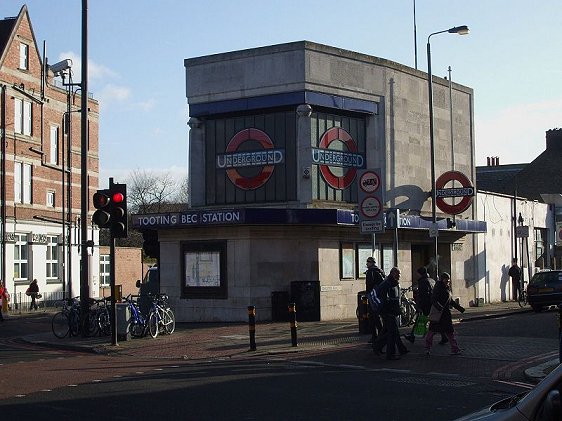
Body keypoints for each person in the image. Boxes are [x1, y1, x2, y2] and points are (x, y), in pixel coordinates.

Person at [425, 272, 465, 356]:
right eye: (446, 279)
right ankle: (427, 348)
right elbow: (433, 299)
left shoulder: (447, 288)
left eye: (449, 279)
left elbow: (451, 301)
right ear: (442, 279)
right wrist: (439, 307)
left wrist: (460, 308)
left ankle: (455, 349)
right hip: (438, 314)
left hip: (445, 314)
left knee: (450, 332)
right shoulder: (438, 287)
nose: (448, 281)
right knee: (432, 331)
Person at [373, 267, 409, 360]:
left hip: (392, 311)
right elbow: (385, 300)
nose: (399, 276)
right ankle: (390, 354)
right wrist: (390, 311)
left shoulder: (394, 283)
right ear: (393, 274)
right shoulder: (387, 284)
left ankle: (379, 346)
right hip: (388, 312)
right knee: (391, 334)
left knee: (393, 331)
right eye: (398, 274)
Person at [365, 257, 384, 343]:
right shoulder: (379, 271)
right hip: (379, 297)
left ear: (371, 263)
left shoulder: (370, 272)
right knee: (377, 316)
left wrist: (368, 294)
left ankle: (375, 336)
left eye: (368, 262)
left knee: (372, 317)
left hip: (372, 297)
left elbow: (369, 285)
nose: (366, 264)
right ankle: (380, 333)